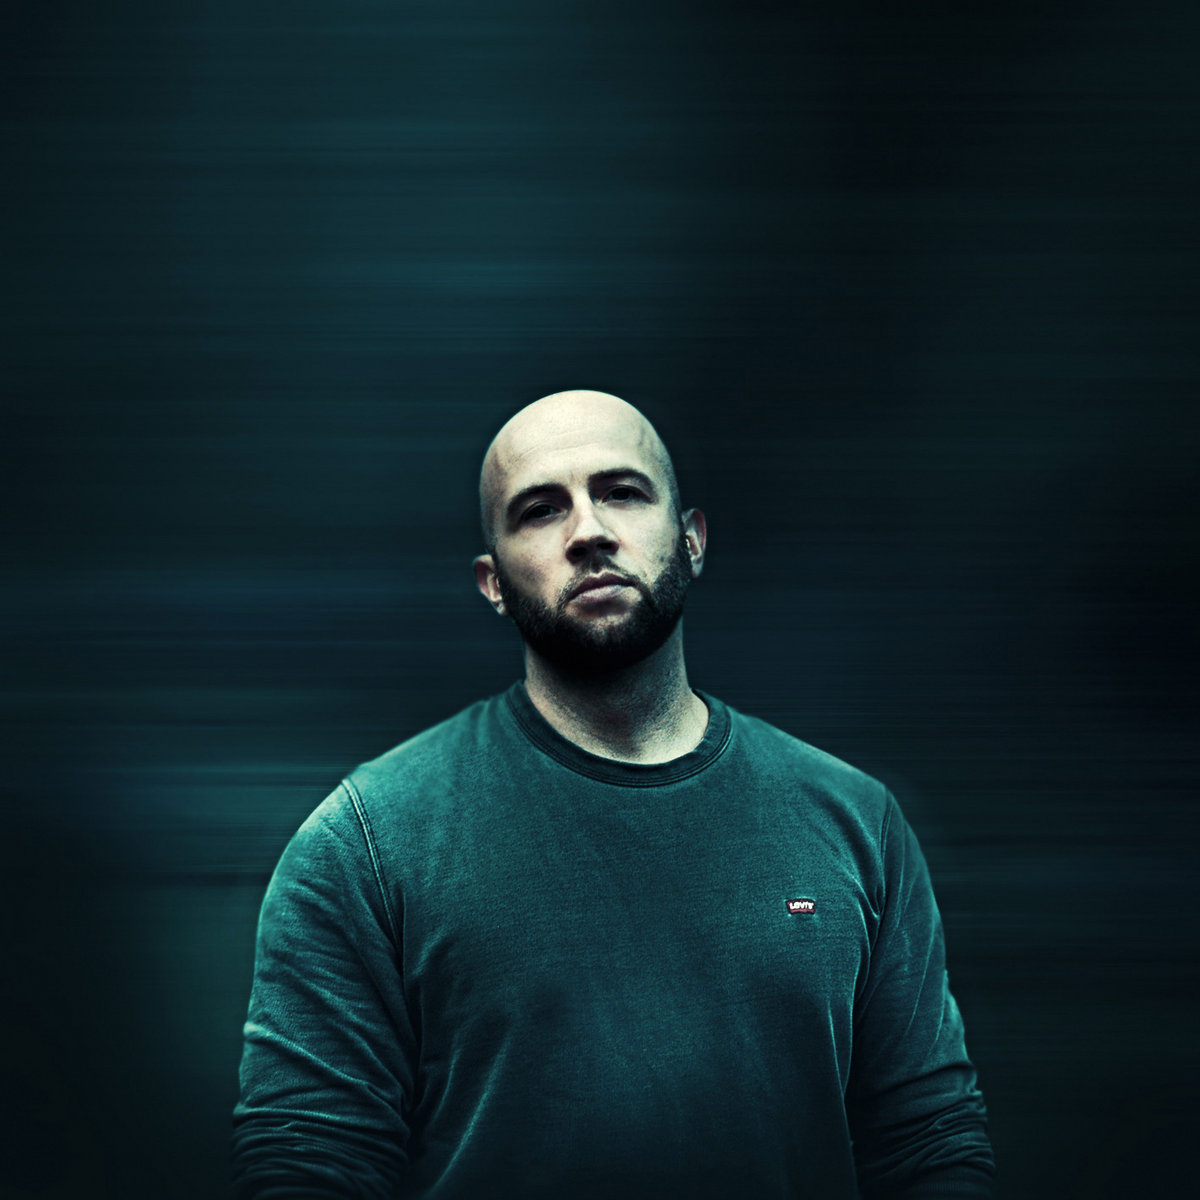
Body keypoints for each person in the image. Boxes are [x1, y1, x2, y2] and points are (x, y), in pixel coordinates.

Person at [232, 389, 996, 1199]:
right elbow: (308, 1160)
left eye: (622, 492)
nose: (589, 531)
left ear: (691, 539)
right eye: (540, 510)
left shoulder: (856, 823)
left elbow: (928, 1143)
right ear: (493, 582)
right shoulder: (364, 843)